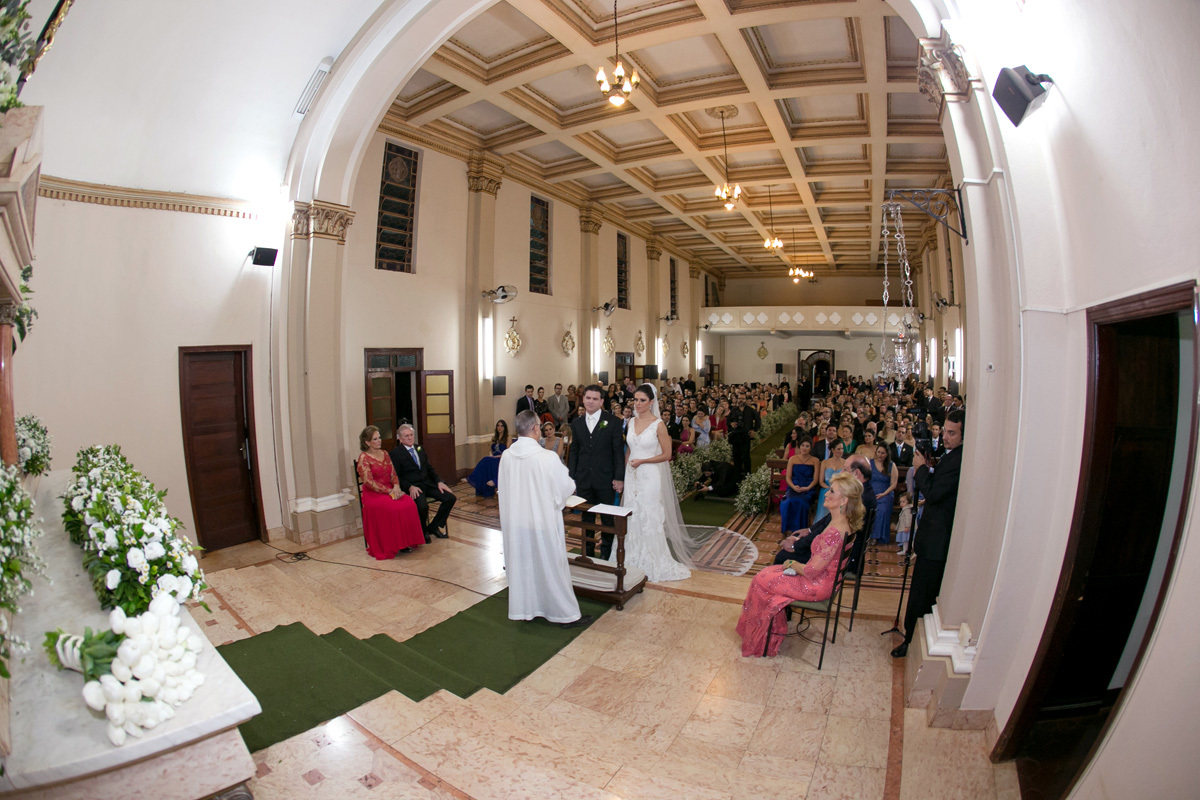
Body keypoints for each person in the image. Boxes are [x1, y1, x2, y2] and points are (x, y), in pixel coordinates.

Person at [736, 472, 864, 657]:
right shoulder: (840, 522)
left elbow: (811, 571)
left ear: (844, 501)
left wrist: (792, 563)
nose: (826, 494)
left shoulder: (835, 531)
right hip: (821, 579)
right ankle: (766, 630)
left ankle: (763, 637)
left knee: (761, 580)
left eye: (832, 491)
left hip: (816, 585)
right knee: (767, 573)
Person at [497, 411, 592, 628]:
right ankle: (565, 614)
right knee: (551, 566)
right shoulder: (546, 457)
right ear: (535, 429)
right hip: (542, 522)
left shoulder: (507, 456)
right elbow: (566, 487)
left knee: (525, 565)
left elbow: (504, 489)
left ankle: (527, 609)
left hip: (518, 523)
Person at [892, 409, 965, 658]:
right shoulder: (952, 456)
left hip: (937, 541)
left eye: (952, 433)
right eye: (945, 431)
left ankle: (911, 641)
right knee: (920, 592)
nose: (945, 436)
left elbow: (933, 494)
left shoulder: (958, 460)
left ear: (964, 435)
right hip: (933, 539)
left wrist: (921, 469)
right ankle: (911, 635)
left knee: (922, 596)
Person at [619, 384, 691, 581]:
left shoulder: (658, 424)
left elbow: (667, 454)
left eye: (643, 400)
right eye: (636, 400)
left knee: (649, 514)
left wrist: (643, 461)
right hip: (631, 474)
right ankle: (631, 557)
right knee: (632, 513)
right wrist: (625, 471)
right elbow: (629, 449)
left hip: (649, 474)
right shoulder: (631, 421)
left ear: (651, 402)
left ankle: (652, 558)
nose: (638, 404)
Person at [567, 384, 625, 559]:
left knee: (607, 520)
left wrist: (619, 477)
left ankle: (606, 558)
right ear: (583, 399)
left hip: (605, 479)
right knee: (587, 520)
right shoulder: (576, 423)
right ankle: (588, 556)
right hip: (584, 479)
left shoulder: (613, 422)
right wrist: (571, 479)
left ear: (601, 401)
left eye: (595, 399)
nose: (590, 402)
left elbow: (617, 452)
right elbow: (575, 451)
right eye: (588, 398)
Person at [356, 426, 425, 558]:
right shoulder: (364, 458)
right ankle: (394, 544)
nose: (379, 441)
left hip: (391, 489)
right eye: (375, 439)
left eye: (379, 437)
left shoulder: (385, 454)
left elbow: (393, 474)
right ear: (367, 442)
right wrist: (389, 491)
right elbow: (368, 482)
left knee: (409, 503)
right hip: (374, 494)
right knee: (393, 508)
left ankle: (406, 542)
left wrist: (397, 488)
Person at [389, 423, 457, 541]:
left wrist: (439, 481)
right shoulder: (395, 453)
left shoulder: (419, 448)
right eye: (406, 436)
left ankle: (433, 526)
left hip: (427, 484)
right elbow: (396, 476)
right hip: (414, 487)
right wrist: (409, 487)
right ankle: (422, 530)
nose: (410, 438)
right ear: (400, 439)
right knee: (422, 506)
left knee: (450, 498)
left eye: (411, 435)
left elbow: (429, 469)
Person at [779, 438, 820, 532]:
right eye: (803, 446)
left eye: (807, 446)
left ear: (811, 448)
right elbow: (788, 477)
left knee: (801, 502)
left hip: (808, 488)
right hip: (793, 486)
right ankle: (789, 527)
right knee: (789, 501)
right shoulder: (793, 459)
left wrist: (807, 488)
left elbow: (815, 479)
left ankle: (800, 529)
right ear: (799, 447)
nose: (804, 448)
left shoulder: (815, 460)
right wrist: (793, 487)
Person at [466, 419, 509, 498]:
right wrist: (491, 455)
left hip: (502, 458)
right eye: (498, 426)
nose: (499, 428)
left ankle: (472, 477)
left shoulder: (508, 437)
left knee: (486, 460)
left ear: (505, 428)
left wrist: (495, 457)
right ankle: (482, 486)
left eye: (502, 426)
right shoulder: (494, 437)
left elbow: (507, 452)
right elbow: (492, 450)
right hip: (493, 458)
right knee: (486, 460)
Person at [869, 445, 898, 544]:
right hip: (871, 492)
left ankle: (876, 536)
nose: (880, 455)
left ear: (887, 454)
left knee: (882, 508)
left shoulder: (891, 465)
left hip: (886, 493)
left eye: (883, 453)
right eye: (879, 452)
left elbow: (894, 484)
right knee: (867, 506)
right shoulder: (870, 463)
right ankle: (868, 535)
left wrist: (884, 494)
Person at [814, 440, 846, 522]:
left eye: (842, 449)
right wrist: (830, 490)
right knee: (826, 494)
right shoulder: (825, 462)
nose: (841, 451)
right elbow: (821, 481)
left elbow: (846, 481)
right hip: (826, 488)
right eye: (838, 449)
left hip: (839, 490)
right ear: (832, 450)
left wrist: (836, 490)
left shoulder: (845, 463)